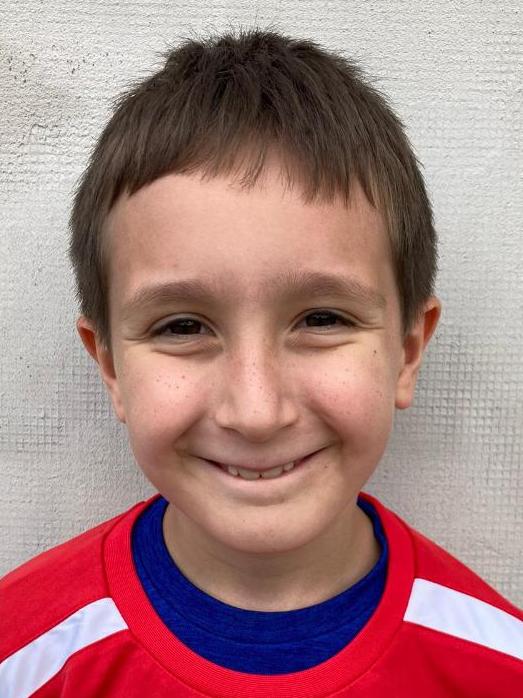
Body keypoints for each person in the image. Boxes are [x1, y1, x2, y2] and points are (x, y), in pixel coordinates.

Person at [1, 26, 521, 697]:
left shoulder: (500, 668)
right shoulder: (21, 655)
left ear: (406, 351)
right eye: (182, 326)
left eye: (322, 319)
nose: (255, 412)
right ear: (110, 367)